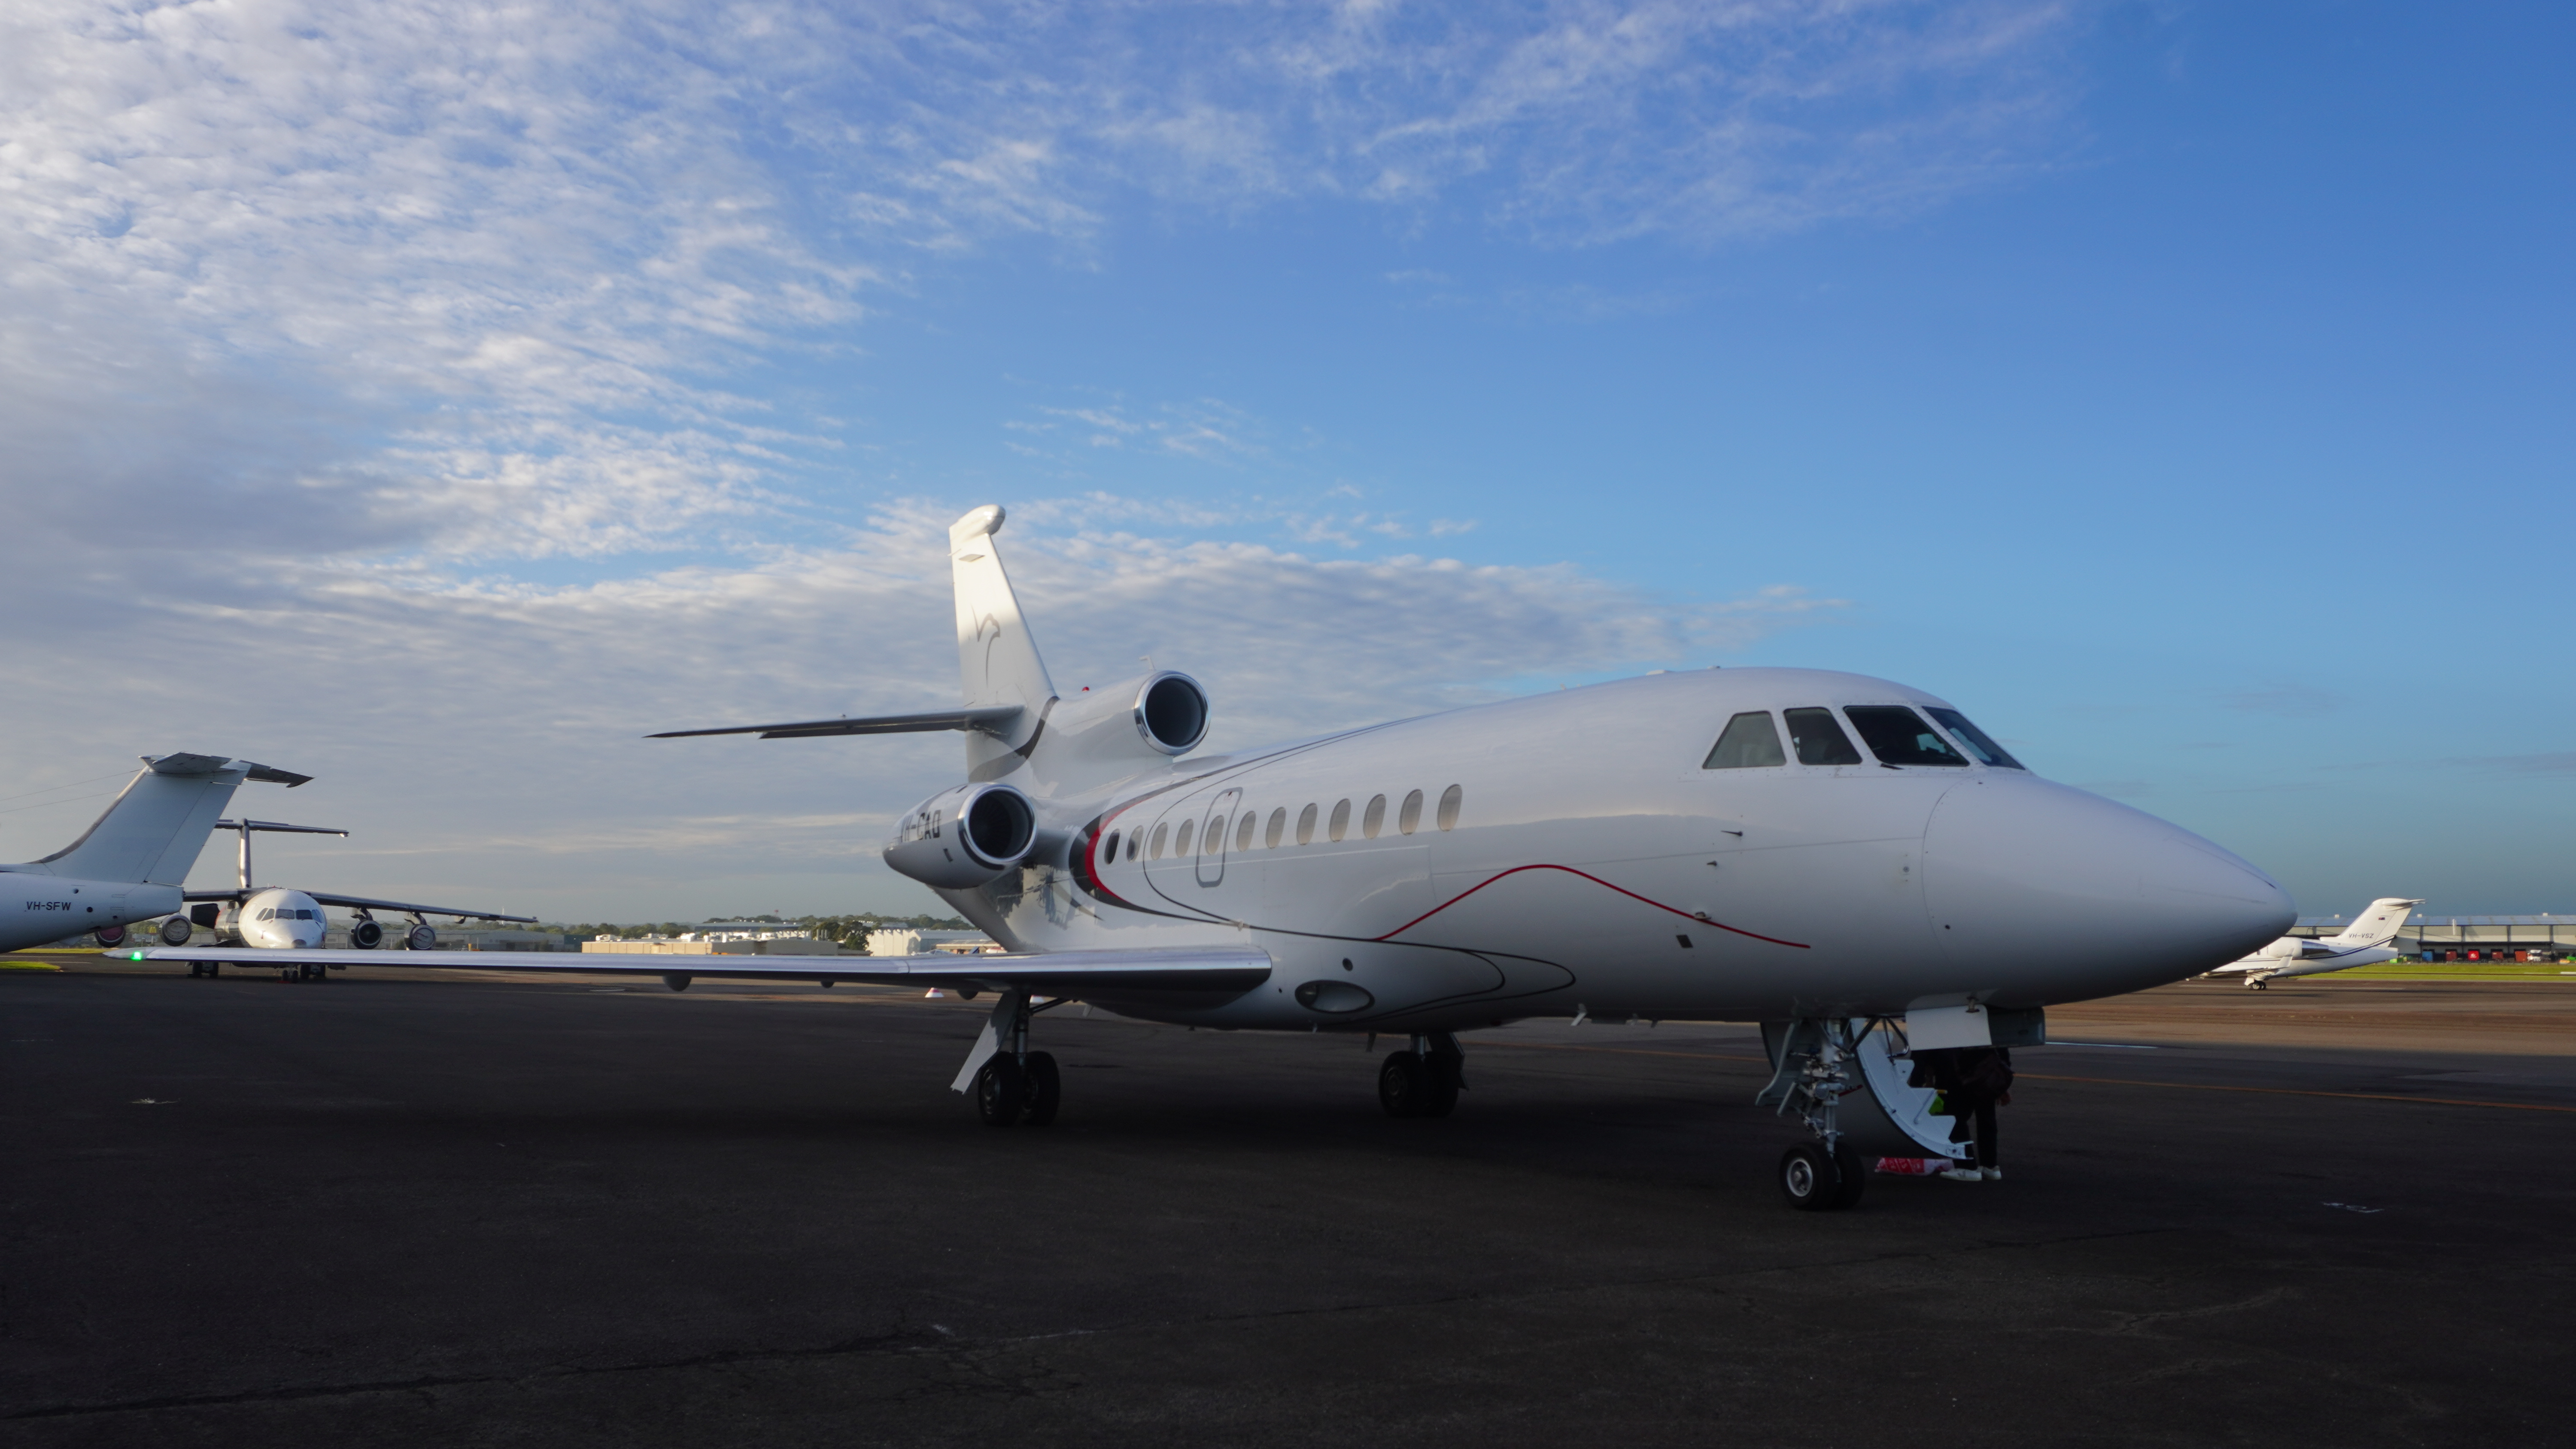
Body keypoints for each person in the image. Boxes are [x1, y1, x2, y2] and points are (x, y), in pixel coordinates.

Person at [1908, 1044, 2014, 1181]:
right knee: (1986, 1116)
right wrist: (2002, 1080)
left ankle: (1966, 1166)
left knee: (1955, 1118)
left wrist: (1917, 1087)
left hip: (1951, 1070)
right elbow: (2000, 1044)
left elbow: (1921, 1054)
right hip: (1984, 1069)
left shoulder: (1931, 1024)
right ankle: (1990, 1166)